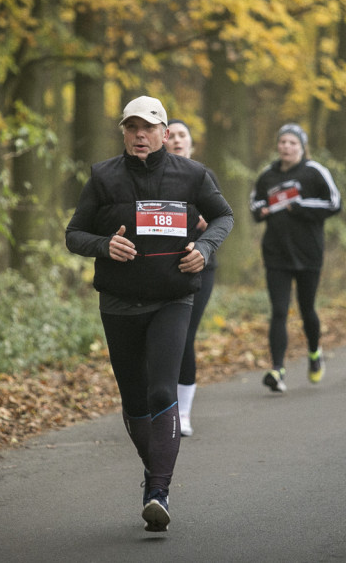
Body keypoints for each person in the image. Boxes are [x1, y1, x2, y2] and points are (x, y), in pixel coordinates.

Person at [65, 96, 233, 533]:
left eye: (149, 127)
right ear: (123, 131)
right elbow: (74, 234)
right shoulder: (103, 177)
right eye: (132, 127)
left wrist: (205, 247)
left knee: (162, 392)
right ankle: (155, 470)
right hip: (119, 302)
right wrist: (104, 245)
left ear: (163, 131)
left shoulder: (193, 175)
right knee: (135, 400)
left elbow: (223, 216)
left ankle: (158, 490)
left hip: (172, 298)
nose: (141, 135)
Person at [249, 123, 341, 393]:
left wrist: (301, 206)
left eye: (292, 143)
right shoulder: (267, 175)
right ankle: (277, 370)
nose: (286, 147)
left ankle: (314, 352)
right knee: (278, 311)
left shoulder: (314, 172)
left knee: (306, 309)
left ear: (302, 147)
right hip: (276, 253)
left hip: (308, 253)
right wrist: (262, 210)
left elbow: (334, 203)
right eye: (283, 142)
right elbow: (254, 204)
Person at [165, 119, 219, 438]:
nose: (177, 140)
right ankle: (162, 405)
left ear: (192, 144)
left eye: (183, 135)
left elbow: (222, 217)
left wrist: (203, 223)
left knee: (184, 335)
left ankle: (182, 412)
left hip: (199, 266)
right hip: (161, 266)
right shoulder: (154, 176)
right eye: (171, 135)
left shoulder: (203, 176)